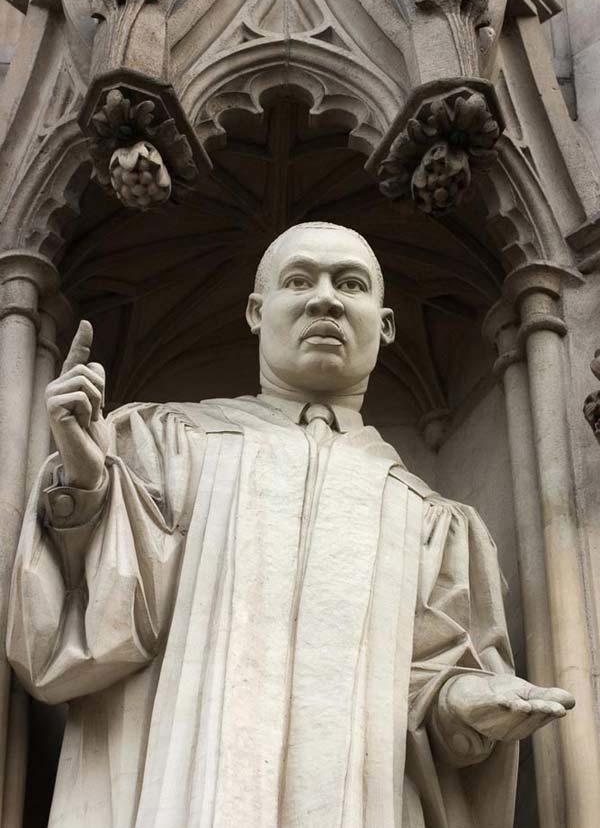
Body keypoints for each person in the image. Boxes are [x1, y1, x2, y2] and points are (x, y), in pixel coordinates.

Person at [7, 222, 573, 828]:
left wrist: (468, 700)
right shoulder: (161, 446)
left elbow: (432, 685)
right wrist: (87, 491)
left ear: (383, 324)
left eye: (349, 284)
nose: (324, 298)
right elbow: (81, 638)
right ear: (257, 311)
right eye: (299, 280)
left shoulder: (432, 522)